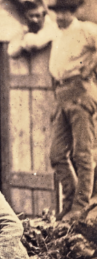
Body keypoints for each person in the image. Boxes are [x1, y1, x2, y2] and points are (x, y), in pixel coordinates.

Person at [48, 0, 97, 220]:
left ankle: (81, 206)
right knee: (57, 155)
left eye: (64, 12)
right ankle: (69, 203)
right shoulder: (57, 35)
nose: (59, 17)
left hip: (80, 94)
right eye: (57, 12)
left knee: (82, 153)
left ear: (73, 12)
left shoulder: (85, 30)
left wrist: (92, 65)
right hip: (61, 96)